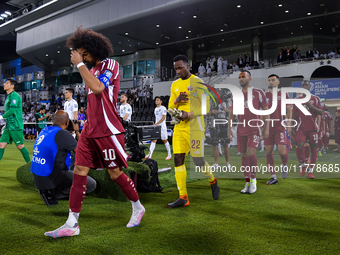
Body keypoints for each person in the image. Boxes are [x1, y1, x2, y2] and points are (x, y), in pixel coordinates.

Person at [44, 27, 145, 239]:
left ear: (94, 49)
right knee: (80, 169)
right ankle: (72, 223)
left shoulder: (111, 65)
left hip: (108, 129)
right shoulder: (90, 69)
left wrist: (79, 64)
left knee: (114, 173)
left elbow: (99, 88)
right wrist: (83, 66)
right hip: (90, 129)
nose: (83, 56)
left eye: (84, 52)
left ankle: (137, 207)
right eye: (80, 53)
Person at [167, 54, 220, 208]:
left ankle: (212, 180)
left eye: (180, 68)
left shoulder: (198, 82)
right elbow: (170, 107)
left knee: (198, 161)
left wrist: (188, 114)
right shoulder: (174, 85)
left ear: (188, 66)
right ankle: (183, 197)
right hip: (179, 128)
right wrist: (176, 101)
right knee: (178, 159)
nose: (178, 71)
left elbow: (207, 107)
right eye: (176, 69)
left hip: (195, 128)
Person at [31, 111, 96, 206]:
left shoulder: (45, 130)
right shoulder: (63, 134)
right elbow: (81, 152)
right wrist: (77, 131)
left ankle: (49, 189)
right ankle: (55, 194)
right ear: (67, 122)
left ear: (52, 120)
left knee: (67, 155)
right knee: (91, 184)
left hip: (37, 175)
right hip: (51, 176)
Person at [228, 71, 270, 194]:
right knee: (244, 155)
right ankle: (247, 182)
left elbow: (266, 111)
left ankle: (253, 181)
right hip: (241, 129)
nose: (241, 79)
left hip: (254, 128)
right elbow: (232, 113)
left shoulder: (258, 93)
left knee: (251, 153)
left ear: (250, 77)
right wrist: (229, 129)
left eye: (243, 77)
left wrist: (266, 128)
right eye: (239, 77)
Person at [291, 80, 325, 179]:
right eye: (303, 85)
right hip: (301, 127)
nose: (305, 86)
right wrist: (292, 127)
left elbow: (322, 112)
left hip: (312, 127)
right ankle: (303, 164)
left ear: (310, 87)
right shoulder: (297, 99)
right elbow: (293, 114)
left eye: (306, 85)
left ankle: (311, 171)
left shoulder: (316, 99)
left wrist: (311, 106)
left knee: (314, 147)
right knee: (300, 145)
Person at [264, 74, 291, 185]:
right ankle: (273, 176)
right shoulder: (264, 95)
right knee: (268, 152)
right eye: (269, 80)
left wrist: (289, 122)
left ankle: (284, 165)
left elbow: (289, 109)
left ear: (278, 82)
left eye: (273, 80)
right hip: (268, 128)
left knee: (282, 151)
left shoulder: (283, 94)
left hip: (279, 127)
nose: (271, 82)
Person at [0, 79, 31, 164]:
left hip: (15, 125)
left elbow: (12, 110)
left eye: (7, 83)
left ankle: (30, 165)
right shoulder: (9, 96)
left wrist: (1, 116)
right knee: (1, 145)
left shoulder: (15, 95)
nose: (4, 84)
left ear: (12, 86)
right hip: (8, 126)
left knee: (20, 146)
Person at [208, 90, 231, 170]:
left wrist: (227, 111)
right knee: (215, 144)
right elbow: (205, 112)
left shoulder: (228, 102)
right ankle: (216, 164)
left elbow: (233, 112)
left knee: (225, 144)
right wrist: (211, 111)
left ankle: (227, 163)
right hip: (215, 123)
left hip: (224, 123)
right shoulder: (211, 102)